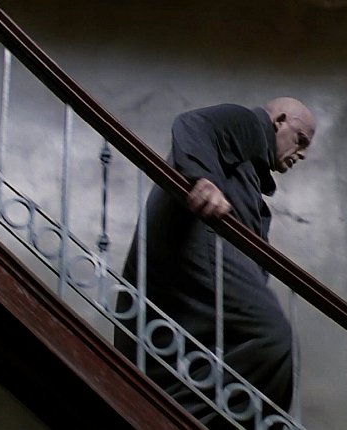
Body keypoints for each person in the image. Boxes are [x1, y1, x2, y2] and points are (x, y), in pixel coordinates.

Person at [114, 97, 316, 428]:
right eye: (301, 139)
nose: (303, 153)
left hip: (205, 261)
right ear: (279, 121)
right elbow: (194, 124)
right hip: (200, 240)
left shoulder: (250, 179)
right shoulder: (248, 122)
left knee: (256, 344)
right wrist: (202, 179)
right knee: (272, 337)